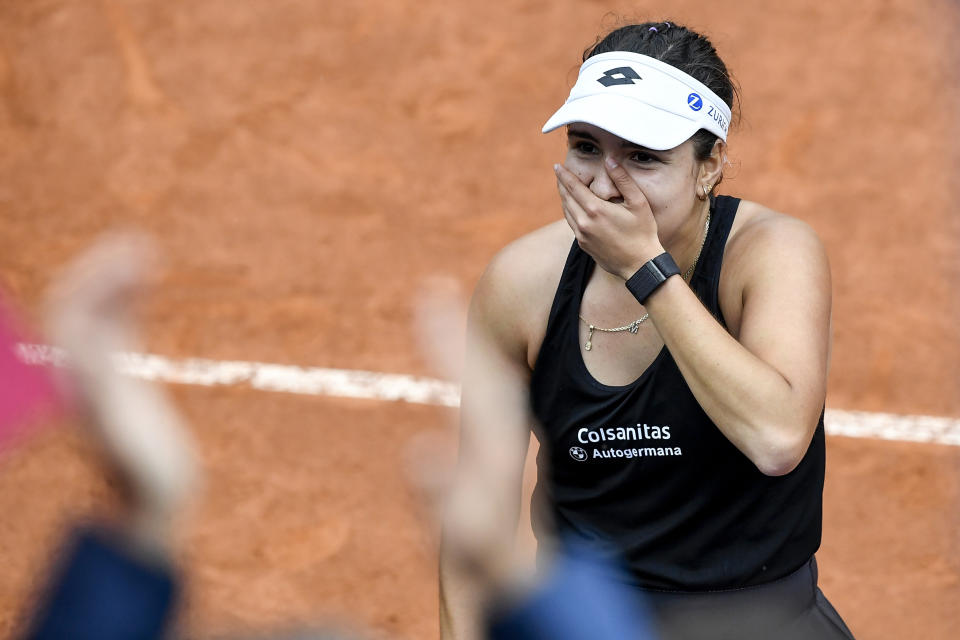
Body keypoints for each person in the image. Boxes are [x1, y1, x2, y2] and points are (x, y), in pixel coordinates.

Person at [440, 20, 855, 640]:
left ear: (710, 165)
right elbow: (477, 518)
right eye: (585, 147)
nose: (606, 185)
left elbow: (777, 438)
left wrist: (645, 271)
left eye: (643, 158)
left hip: (758, 624)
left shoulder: (771, 255)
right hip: (587, 623)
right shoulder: (522, 286)